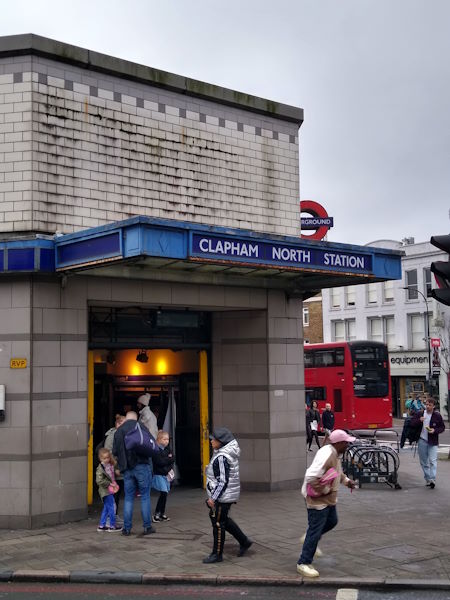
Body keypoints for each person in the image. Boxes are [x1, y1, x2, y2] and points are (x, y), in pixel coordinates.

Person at [297, 429, 356, 578]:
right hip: (318, 501)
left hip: (327, 499)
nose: (348, 445)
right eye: (346, 443)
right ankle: (303, 563)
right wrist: (324, 490)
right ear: (339, 443)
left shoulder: (335, 454)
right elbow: (311, 476)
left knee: (332, 521)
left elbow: (336, 472)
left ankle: (310, 537)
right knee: (315, 530)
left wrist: (346, 481)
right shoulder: (328, 455)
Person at [203, 427, 253, 564]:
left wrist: (213, 498)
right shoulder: (225, 453)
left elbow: (222, 481)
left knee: (218, 523)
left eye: (214, 439)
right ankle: (244, 541)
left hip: (222, 496)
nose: (211, 441)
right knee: (223, 519)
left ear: (221, 441)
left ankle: (217, 554)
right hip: (227, 494)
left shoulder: (222, 456)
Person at [113, 411, 155, 536]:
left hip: (126, 468)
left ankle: (126, 529)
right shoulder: (141, 427)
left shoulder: (119, 431)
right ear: (136, 418)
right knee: (145, 496)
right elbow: (151, 445)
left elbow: (115, 451)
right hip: (141, 465)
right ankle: (147, 527)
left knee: (129, 498)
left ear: (126, 419)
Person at [410, 397, 445, 489]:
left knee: (433, 461)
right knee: (424, 462)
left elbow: (442, 427)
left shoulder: (437, 416)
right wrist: (419, 420)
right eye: (427, 404)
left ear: (433, 406)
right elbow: (412, 423)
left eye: (430, 405)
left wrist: (434, 430)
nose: (428, 406)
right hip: (422, 440)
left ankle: (432, 479)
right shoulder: (420, 414)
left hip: (433, 441)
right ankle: (428, 479)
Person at [104, 414, 126, 518]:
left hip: (118, 469)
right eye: (124, 423)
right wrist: (116, 468)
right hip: (114, 471)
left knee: (117, 493)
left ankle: (113, 515)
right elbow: (108, 454)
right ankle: (111, 517)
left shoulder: (121, 434)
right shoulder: (112, 436)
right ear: (118, 424)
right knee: (114, 494)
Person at [95, 447, 122, 532]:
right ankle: (112, 525)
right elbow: (99, 481)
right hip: (105, 490)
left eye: (108, 457)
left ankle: (102, 525)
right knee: (112, 507)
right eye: (104, 458)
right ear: (100, 458)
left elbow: (112, 471)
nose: (106, 459)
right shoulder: (100, 468)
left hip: (110, 489)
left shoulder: (109, 465)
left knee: (107, 507)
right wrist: (110, 484)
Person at [152, 430, 174, 522]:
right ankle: (157, 513)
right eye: (164, 439)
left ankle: (162, 513)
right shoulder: (156, 449)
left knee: (164, 494)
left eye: (167, 439)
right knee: (164, 493)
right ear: (159, 439)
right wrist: (168, 459)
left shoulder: (168, 448)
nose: (167, 441)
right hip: (159, 474)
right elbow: (159, 462)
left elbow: (173, 458)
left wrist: (167, 460)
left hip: (166, 474)